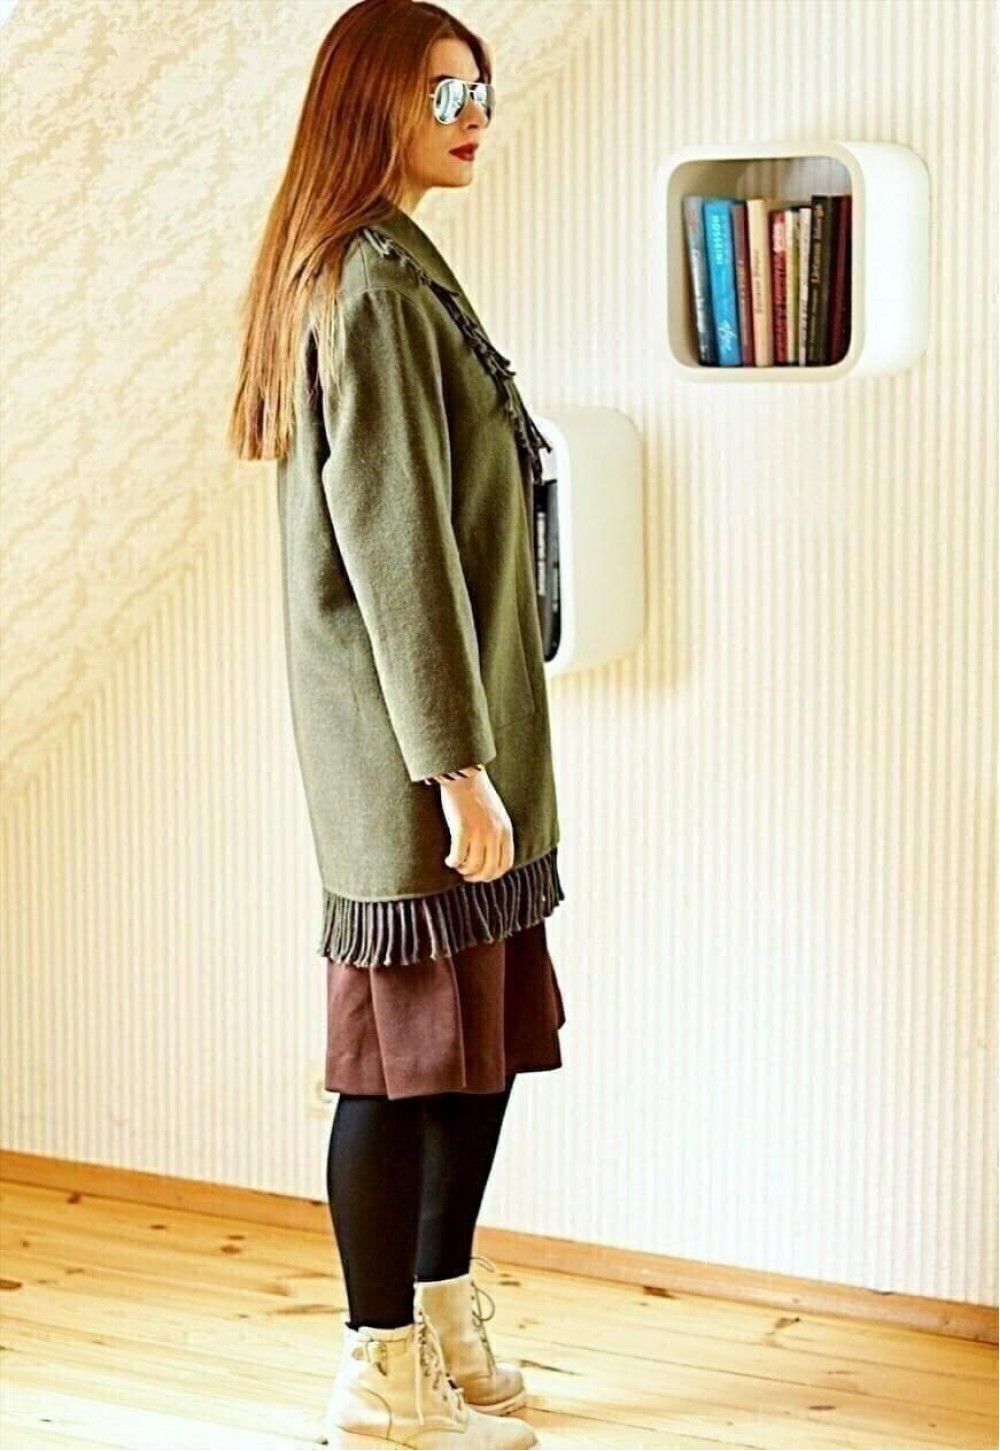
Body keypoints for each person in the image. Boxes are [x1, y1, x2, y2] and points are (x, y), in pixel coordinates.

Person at [227, 1, 567, 1445]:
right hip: (418, 756)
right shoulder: (363, 284)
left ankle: (442, 1316)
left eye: (478, 88)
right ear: (372, 102)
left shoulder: (400, 259)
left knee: (474, 1050)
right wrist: (455, 771)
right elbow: (395, 550)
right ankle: (378, 1378)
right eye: (442, 92)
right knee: (398, 1067)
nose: (472, 114)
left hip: (472, 734)